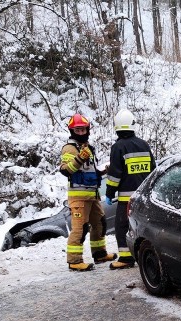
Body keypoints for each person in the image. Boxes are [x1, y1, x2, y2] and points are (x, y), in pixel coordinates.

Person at [59, 113, 117, 271]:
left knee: (99, 225)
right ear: (72, 131)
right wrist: (79, 158)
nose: (81, 133)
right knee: (80, 228)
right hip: (79, 198)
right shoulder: (69, 148)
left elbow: (89, 173)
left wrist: (103, 171)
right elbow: (66, 170)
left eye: (83, 129)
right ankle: (74, 261)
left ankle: (99, 254)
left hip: (93, 196)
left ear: (87, 129)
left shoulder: (88, 148)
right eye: (77, 130)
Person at [104, 109, 155, 269]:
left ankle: (126, 258)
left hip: (127, 199)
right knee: (144, 227)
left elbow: (114, 175)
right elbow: (154, 170)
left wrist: (109, 193)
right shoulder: (144, 144)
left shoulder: (118, 147)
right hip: (145, 197)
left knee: (123, 226)